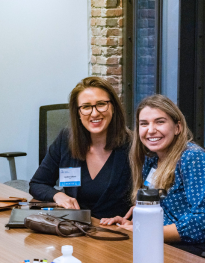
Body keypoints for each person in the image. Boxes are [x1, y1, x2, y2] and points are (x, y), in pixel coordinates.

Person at [100, 94, 205, 256]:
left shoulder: (193, 158)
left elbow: (203, 221)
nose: (151, 130)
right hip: (165, 241)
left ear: (178, 127)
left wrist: (148, 233)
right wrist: (133, 225)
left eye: (160, 122)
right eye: (144, 124)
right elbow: (161, 211)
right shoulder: (152, 160)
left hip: (203, 247)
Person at [29, 77, 132, 219]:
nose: (94, 113)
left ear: (113, 107)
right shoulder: (65, 140)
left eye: (101, 104)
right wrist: (58, 195)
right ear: (78, 112)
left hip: (115, 233)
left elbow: (149, 196)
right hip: (73, 228)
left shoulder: (133, 146)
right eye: (86, 107)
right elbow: (37, 183)